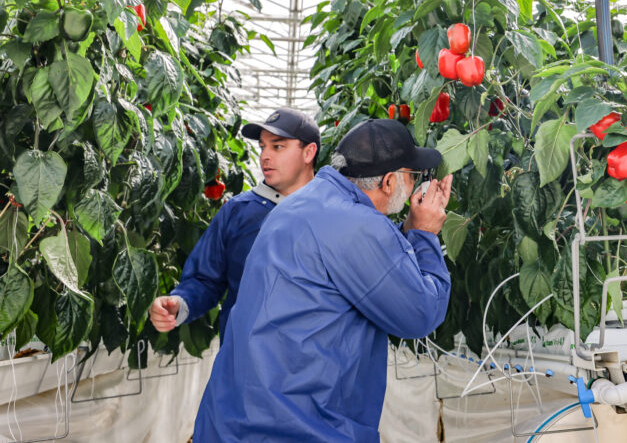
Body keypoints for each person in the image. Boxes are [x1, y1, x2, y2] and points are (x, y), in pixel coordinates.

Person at [193, 118, 453, 442]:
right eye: (411, 176)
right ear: (388, 182)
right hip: (294, 427)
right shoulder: (356, 226)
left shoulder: (306, 202)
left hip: (236, 419)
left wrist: (409, 232)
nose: (414, 184)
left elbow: (357, 266)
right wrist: (425, 235)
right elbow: (420, 313)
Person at [148, 108, 320, 339]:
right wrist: (180, 303)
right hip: (245, 354)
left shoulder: (331, 212)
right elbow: (206, 277)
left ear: (309, 152)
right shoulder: (239, 211)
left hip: (313, 362)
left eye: (277, 146)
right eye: (263, 147)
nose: (265, 156)